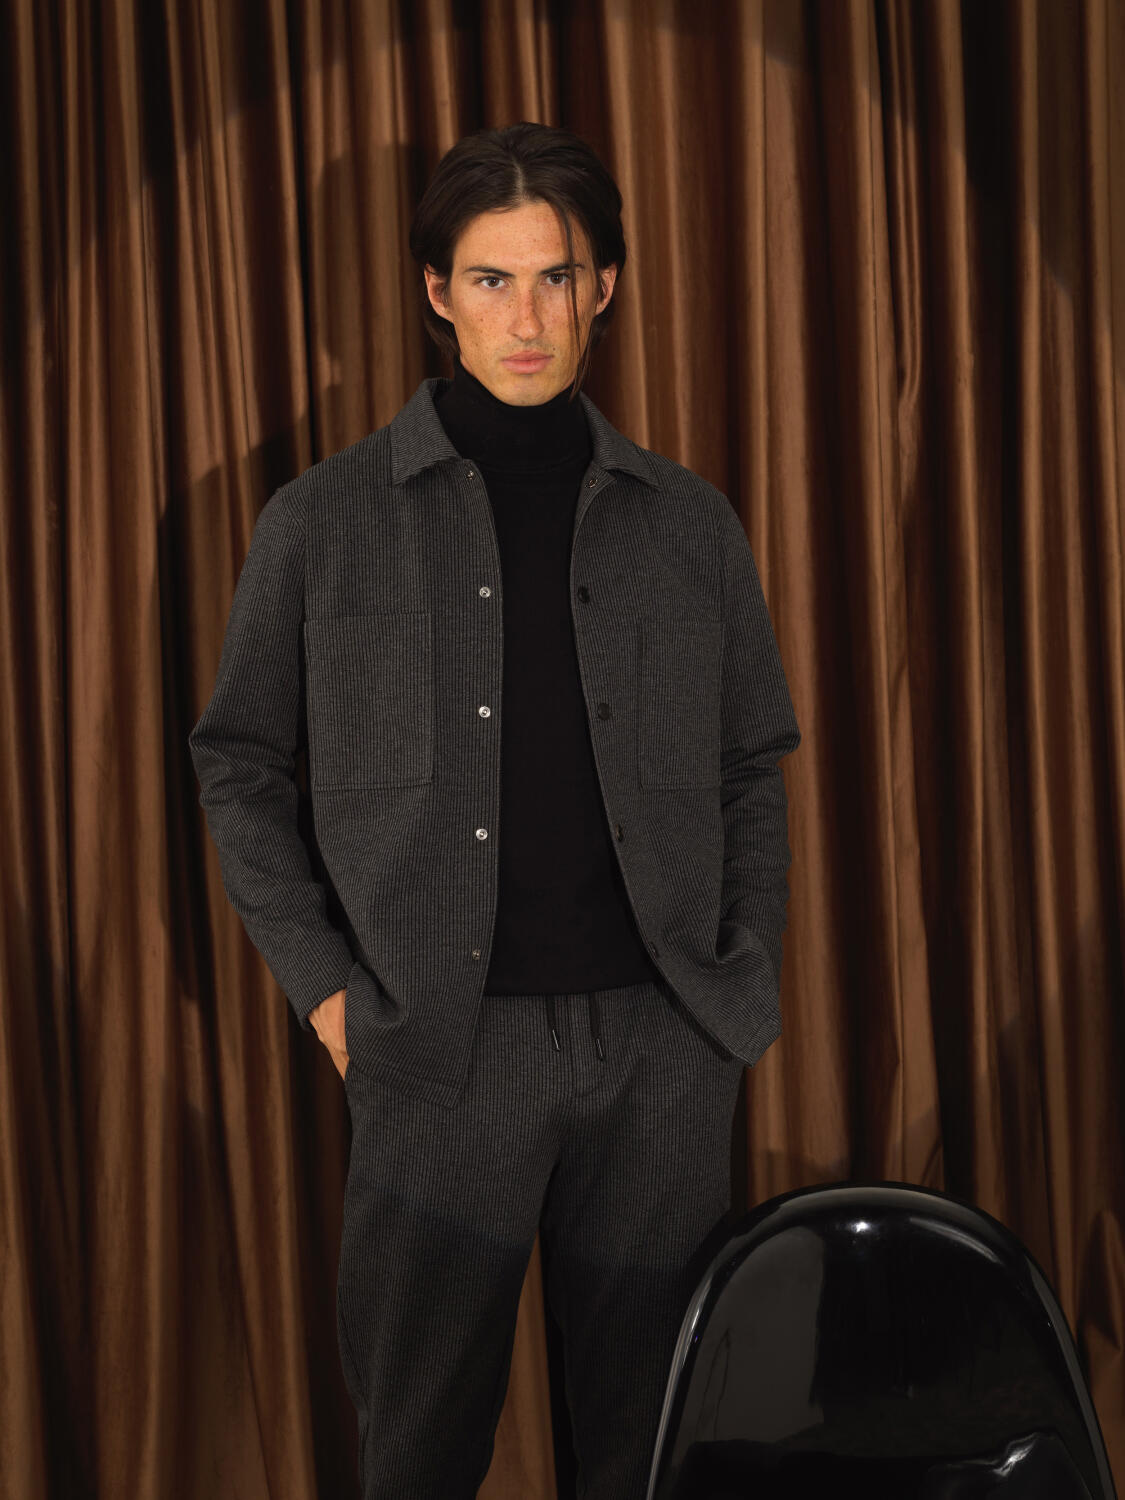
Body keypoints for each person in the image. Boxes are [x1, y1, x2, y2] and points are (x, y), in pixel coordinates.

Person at [188, 120, 800, 1500]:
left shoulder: (688, 523)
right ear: (436, 292)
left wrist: (734, 979)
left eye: (554, 278)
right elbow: (238, 763)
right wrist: (332, 999)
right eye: (489, 280)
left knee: (648, 1454)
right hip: (438, 1056)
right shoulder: (322, 521)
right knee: (417, 1454)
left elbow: (748, 765)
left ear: (604, 288)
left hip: (660, 1052)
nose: (524, 319)